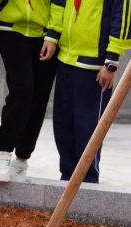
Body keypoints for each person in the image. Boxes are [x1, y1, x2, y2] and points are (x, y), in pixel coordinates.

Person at [0, 0, 63, 182]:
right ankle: (3, 152)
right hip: (11, 29)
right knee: (22, 89)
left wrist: (53, 34)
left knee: (39, 99)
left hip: (46, 34)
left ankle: (22, 158)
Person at [52, 0, 131, 183]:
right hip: (66, 57)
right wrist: (52, 36)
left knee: (88, 128)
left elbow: (122, 16)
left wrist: (111, 61)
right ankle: (67, 178)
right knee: (63, 123)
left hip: (95, 65)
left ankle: (87, 181)